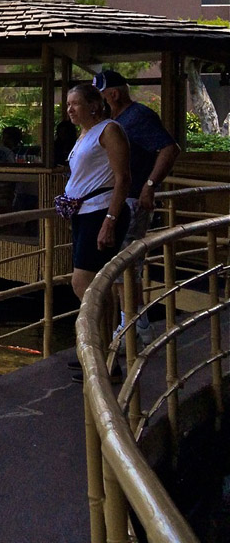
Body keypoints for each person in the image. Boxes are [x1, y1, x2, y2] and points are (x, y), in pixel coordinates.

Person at [93, 70, 181, 347]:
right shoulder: (114, 120)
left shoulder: (138, 116)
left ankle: (132, 323)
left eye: (102, 96)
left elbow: (169, 148)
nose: (100, 102)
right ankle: (135, 321)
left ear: (114, 94)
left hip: (131, 200)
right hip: (117, 198)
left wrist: (150, 184)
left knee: (125, 262)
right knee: (121, 264)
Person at [64, 83, 131, 381]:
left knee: (84, 283)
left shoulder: (109, 130)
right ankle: (99, 352)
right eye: (68, 105)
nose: (70, 109)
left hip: (101, 212)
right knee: (92, 286)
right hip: (83, 214)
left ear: (94, 104)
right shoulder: (84, 136)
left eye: (75, 103)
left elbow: (123, 177)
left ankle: (105, 355)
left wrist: (110, 219)